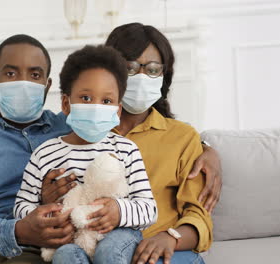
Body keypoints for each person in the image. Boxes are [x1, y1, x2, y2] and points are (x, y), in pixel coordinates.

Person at [0, 32, 221, 264]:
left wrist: (208, 147)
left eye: (34, 75)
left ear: (47, 86)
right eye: (10, 73)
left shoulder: (82, 128)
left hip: (46, 246)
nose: (23, 82)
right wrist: (22, 227)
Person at [43, 23, 213, 264]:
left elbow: (199, 216)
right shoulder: (80, 127)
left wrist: (170, 237)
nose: (142, 77)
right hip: (89, 247)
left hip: (159, 252)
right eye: (130, 67)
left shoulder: (183, 137)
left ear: (164, 77)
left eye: (153, 69)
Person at [14, 45, 157, 263]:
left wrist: (119, 211)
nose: (96, 107)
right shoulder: (45, 154)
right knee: (64, 256)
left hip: (118, 235)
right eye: (86, 98)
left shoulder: (126, 150)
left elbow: (149, 209)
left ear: (117, 111)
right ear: (66, 103)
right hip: (70, 240)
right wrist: (48, 216)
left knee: (109, 251)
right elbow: (21, 207)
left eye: (106, 101)